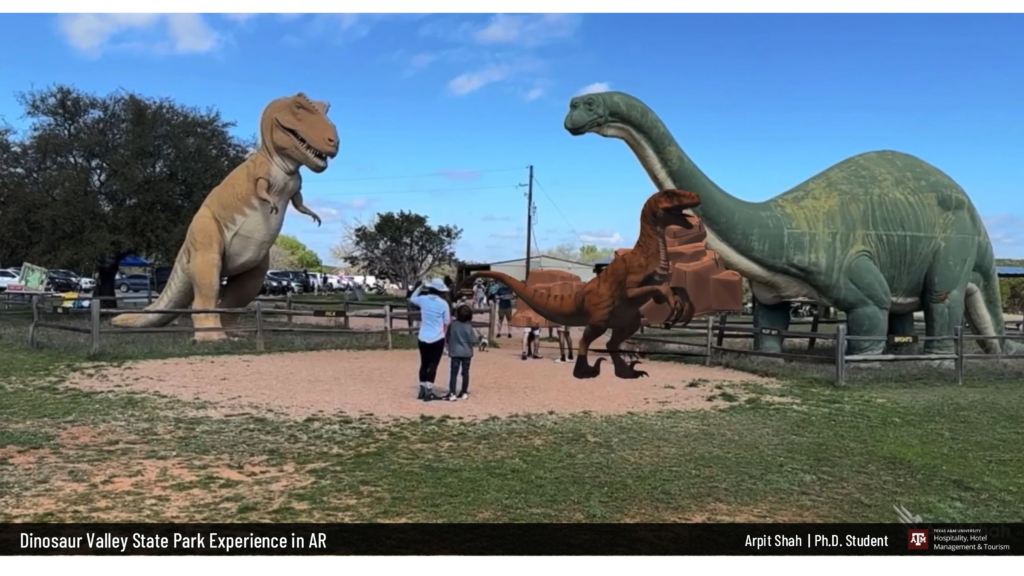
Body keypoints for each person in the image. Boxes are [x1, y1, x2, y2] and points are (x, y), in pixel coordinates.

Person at [408, 278, 451, 402]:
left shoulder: (423, 300)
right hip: (437, 336)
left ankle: (422, 388)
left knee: (424, 363)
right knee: (433, 364)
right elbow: (447, 321)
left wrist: (420, 287)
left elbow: (412, 298)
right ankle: (429, 390)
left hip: (423, 335)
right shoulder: (443, 304)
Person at [445, 304, 487, 401]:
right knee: (465, 372)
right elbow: (474, 342)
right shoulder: (469, 327)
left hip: (455, 352)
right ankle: (464, 392)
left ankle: (452, 392)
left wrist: (449, 344)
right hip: (467, 353)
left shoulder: (453, 325)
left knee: (453, 373)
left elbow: (448, 337)